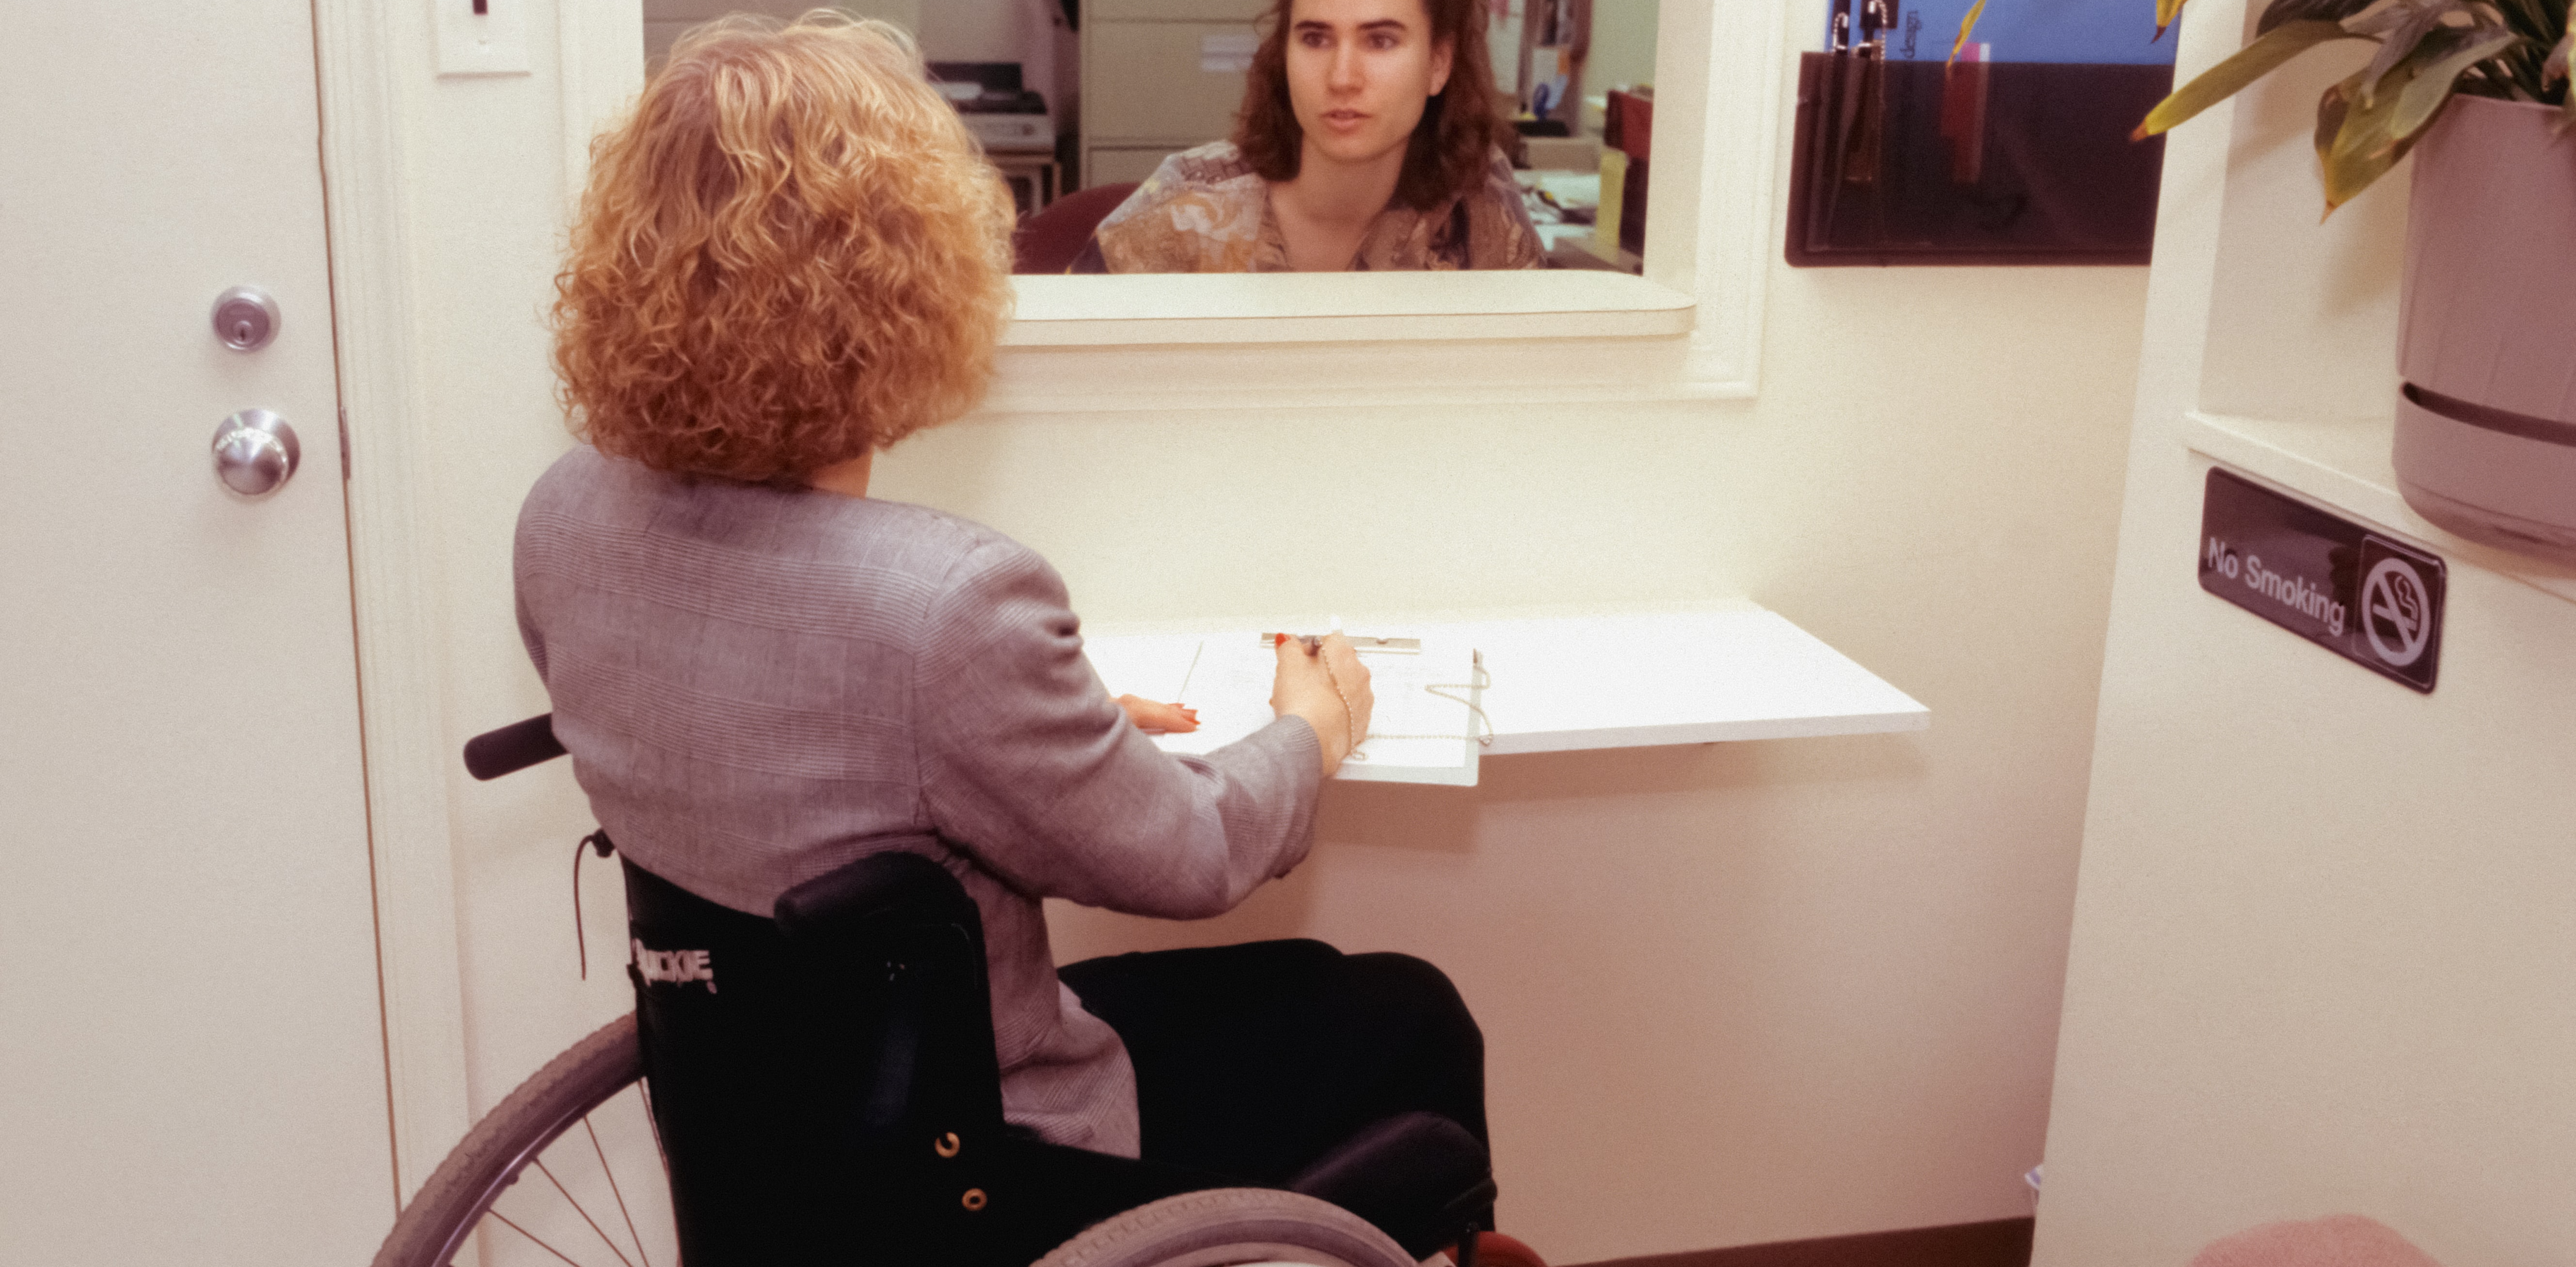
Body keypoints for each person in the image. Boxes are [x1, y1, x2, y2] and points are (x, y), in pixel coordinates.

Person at [526, 11, 1486, 1192]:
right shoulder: (950, 607)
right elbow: (1193, 856)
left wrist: (1037, 727)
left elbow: (764, 730)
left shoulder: (565, 516)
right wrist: (1312, 730)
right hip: (974, 1151)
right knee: (1410, 1011)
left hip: (762, 1130)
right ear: (911, 280)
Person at [1085, 0, 1542, 273]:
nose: (1342, 77)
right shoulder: (1185, 207)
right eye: (1315, 39)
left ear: (1439, 63)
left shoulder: (1477, 197)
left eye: (1380, 41)